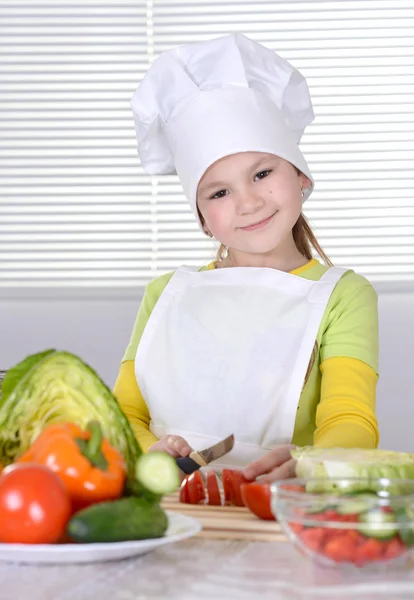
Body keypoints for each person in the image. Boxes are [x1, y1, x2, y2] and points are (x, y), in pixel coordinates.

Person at [113, 33, 379, 483]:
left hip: (281, 503)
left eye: (262, 173)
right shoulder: (165, 294)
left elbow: (351, 420)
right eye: (219, 191)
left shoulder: (344, 296)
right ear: (202, 218)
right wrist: (150, 454)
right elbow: (123, 414)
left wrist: (309, 465)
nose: (249, 201)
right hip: (170, 507)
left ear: (300, 176)